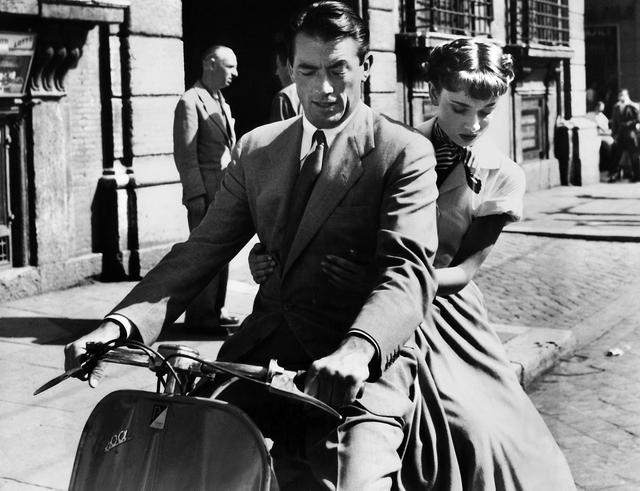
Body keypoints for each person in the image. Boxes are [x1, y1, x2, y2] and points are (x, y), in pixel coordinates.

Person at [65, 2, 445, 489]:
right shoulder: (257, 148)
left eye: (338, 69)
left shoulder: (402, 151)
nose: (323, 88)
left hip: (356, 375)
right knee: (169, 463)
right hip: (262, 361)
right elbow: (202, 249)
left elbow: (408, 271)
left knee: (355, 482)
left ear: (365, 68)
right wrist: (119, 326)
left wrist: (358, 349)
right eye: (307, 70)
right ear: (290, 69)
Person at [250, 37, 576, 490]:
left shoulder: (503, 173)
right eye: (460, 108)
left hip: (446, 314)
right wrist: (265, 257)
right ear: (431, 95)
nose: (474, 123)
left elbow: (463, 272)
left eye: (486, 111)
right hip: (361, 306)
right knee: (325, 421)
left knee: (478, 431)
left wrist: (386, 277)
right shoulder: (389, 144)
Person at [172, 44, 240, 335]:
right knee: (203, 257)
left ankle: (216, 309)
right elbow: (185, 155)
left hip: (223, 189)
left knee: (222, 253)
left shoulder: (220, 100)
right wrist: (195, 195)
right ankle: (200, 317)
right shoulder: (190, 101)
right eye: (230, 66)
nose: (235, 74)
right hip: (205, 191)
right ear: (210, 63)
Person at [269, 33, 302, 122]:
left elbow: (278, 135)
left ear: (288, 66)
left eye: (278, 66)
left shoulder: (284, 97)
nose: (276, 73)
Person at [609, 88, 640, 182]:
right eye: (620, 95)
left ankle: (637, 176)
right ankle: (614, 175)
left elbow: (638, 120)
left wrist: (633, 129)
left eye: (623, 95)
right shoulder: (616, 107)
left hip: (631, 135)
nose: (621, 97)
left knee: (634, 156)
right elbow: (614, 122)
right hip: (620, 135)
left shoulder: (633, 106)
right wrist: (614, 135)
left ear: (627, 96)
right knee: (616, 156)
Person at [587, 100, 614, 174]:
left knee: (610, 144)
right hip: (590, 136)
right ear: (596, 107)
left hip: (601, 135)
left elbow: (605, 130)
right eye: (598, 108)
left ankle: (607, 166)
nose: (599, 110)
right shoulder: (589, 114)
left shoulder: (603, 118)